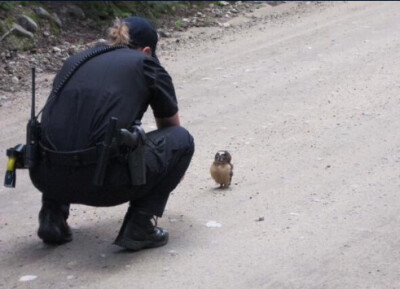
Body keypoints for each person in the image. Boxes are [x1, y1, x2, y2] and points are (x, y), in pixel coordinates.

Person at [29, 17, 195, 251]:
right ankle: (139, 227)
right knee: (182, 140)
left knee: (71, 131)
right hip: (103, 183)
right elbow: (171, 127)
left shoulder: (75, 61)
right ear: (147, 50)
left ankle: (51, 218)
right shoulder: (146, 64)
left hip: (46, 177)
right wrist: (170, 168)